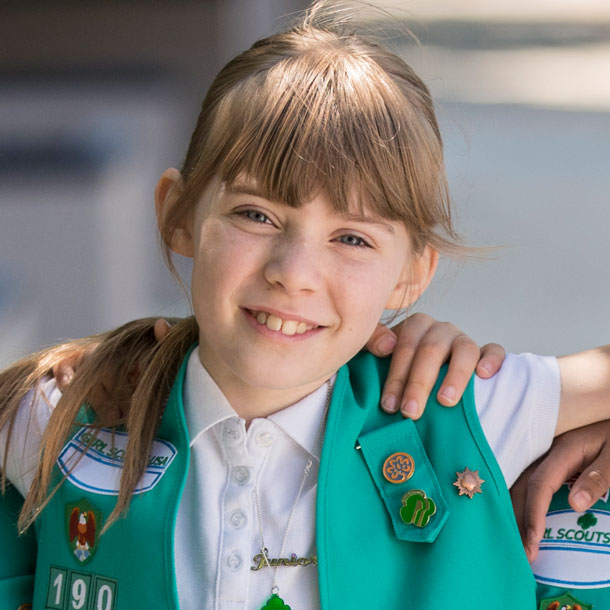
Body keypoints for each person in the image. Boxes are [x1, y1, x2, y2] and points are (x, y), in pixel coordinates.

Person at [1, 3, 609, 608]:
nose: (293, 274)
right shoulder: (66, 416)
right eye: (256, 215)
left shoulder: (462, 410)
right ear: (178, 216)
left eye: (352, 238)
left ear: (410, 275)